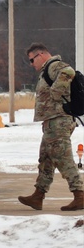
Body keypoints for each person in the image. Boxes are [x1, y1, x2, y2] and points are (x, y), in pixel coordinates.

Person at [17, 43, 83, 212]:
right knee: (46, 159)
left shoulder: (54, 65)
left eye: (32, 60)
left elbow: (68, 71)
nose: (32, 64)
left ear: (40, 55)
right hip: (52, 121)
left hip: (59, 120)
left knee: (62, 157)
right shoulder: (47, 70)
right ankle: (38, 196)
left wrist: (56, 91)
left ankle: (79, 194)